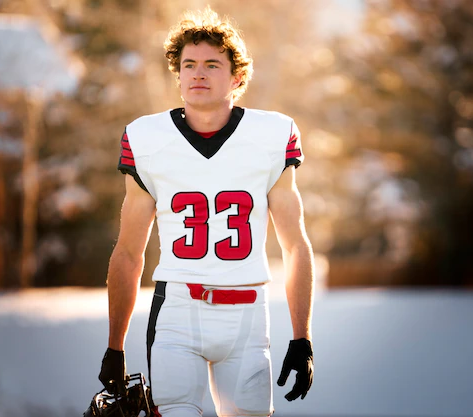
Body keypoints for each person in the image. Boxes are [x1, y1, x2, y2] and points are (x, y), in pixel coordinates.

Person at [97, 7, 315, 417]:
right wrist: (115, 345)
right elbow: (128, 251)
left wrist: (301, 337)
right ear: (177, 75)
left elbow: (295, 245)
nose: (198, 73)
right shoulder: (147, 138)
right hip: (178, 310)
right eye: (189, 64)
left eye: (212, 64)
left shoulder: (271, 135)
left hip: (249, 315)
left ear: (236, 77)